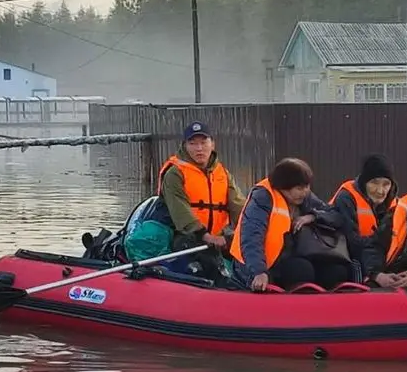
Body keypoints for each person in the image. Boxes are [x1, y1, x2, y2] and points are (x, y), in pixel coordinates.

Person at [231, 158, 351, 291]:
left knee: (336, 271)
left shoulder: (305, 197)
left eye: (307, 187)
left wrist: (313, 216)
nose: (305, 192)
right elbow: (251, 237)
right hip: (256, 265)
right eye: (299, 188)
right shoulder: (263, 197)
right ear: (284, 187)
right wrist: (259, 272)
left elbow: (336, 216)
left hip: (292, 254)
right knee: (301, 270)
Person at [150, 121, 246, 276]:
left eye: (203, 142)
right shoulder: (175, 173)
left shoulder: (223, 174)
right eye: (193, 143)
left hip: (219, 237)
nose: (199, 148)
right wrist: (205, 236)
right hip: (185, 236)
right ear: (185, 146)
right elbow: (180, 211)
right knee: (207, 266)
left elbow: (238, 204)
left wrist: (249, 228)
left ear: (212, 144)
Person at [330, 153, 398, 265]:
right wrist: (381, 241)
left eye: (386, 184)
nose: (380, 191)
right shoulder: (346, 198)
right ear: (364, 182)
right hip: (348, 260)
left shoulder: (397, 205)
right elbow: (351, 242)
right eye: (374, 183)